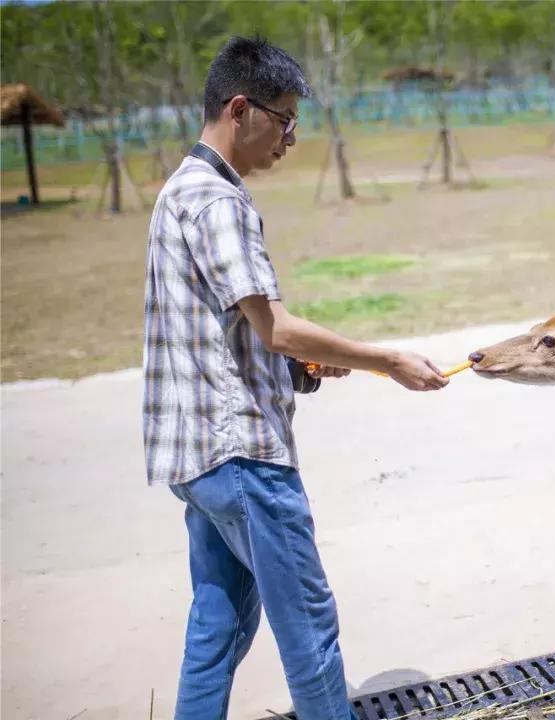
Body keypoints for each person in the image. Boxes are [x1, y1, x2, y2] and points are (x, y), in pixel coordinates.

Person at [142, 36, 448, 719]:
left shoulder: (177, 191)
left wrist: (301, 369)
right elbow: (274, 325)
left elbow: (235, 335)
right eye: (283, 119)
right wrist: (387, 360)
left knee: (218, 627)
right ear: (241, 109)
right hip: (244, 455)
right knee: (308, 626)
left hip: (198, 458)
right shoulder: (220, 201)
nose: (291, 137)